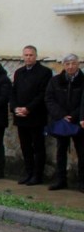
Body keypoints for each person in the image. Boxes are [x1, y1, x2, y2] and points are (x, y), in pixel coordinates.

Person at [10, 45, 53, 185]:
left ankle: (37, 175)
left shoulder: (44, 72)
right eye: (26, 55)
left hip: (36, 116)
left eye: (31, 55)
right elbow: (13, 92)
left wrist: (28, 108)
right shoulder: (19, 72)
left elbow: (43, 94)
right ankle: (28, 172)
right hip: (21, 116)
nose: (28, 57)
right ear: (23, 56)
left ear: (36, 56)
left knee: (38, 147)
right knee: (25, 146)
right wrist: (15, 108)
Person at [45, 53, 84, 192]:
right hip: (61, 121)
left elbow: (82, 103)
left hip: (77, 121)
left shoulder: (82, 80)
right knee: (61, 151)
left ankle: (82, 182)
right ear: (64, 65)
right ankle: (61, 180)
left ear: (78, 64)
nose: (70, 66)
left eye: (73, 63)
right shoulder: (55, 81)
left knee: (82, 152)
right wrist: (61, 115)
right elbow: (49, 99)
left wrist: (74, 116)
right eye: (67, 64)